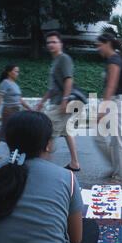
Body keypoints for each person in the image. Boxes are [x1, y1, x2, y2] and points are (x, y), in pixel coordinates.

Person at [0, 111, 99, 243]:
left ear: (8, 142)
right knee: (90, 227)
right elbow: (76, 239)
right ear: (47, 145)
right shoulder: (67, 177)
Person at [36, 31, 80, 172]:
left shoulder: (63, 59)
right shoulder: (56, 61)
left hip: (60, 103)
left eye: (54, 42)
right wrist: (42, 101)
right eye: (49, 42)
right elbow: (53, 87)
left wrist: (65, 100)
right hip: (57, 101)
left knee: (48, 133)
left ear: (60, 44)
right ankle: (74, 163)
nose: (51, 45)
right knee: (67, 132)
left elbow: (69, 79)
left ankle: (45, 167)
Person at [94, 33, 122, 184]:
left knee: (117, 139)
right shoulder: (112, 60)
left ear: (107, 43)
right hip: (112, 101)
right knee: (99, 137)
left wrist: (102, 108)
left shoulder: (114, 60)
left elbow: (111, 85)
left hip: (116, 102)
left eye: (99, 45)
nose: (98, 48)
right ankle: (118, 167)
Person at [0, 64, 33, 159]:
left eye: (17, 71)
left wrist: (30, 109)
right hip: (8, 111)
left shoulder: (14, 84)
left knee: (12, 132)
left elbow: (19, 99)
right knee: (5, 132)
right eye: (15, 71)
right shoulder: (5, 83)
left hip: (16, 111)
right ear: (9, 72)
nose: (17, 73)